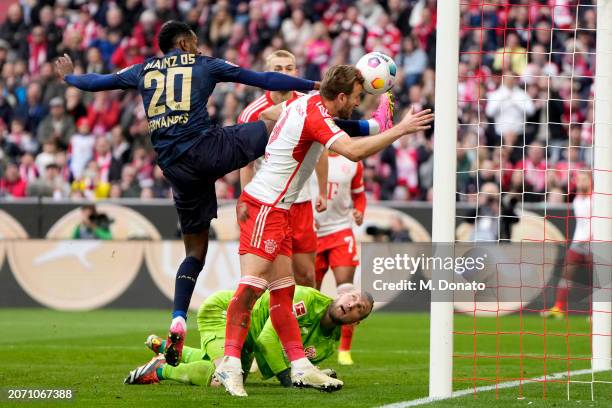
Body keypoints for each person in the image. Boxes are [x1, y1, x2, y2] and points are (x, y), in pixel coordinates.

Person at [55, 21, 320, 367]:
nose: (197, 45)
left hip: (175, 169)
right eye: (194, 41)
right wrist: (312, 85)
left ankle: (178, 317)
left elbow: (97, 83)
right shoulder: (204, 64)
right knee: (282, 123)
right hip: (206, 149)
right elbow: (265, 80)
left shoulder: (143, 69)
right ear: (183, 41)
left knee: (195, 251)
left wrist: (70, 78)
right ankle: (356, 128)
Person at [215, 65, 433, 396]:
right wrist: (399, 130)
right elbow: (353, 151)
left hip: (281, 207)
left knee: (284, 293)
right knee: (250, 288)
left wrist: (373, 124)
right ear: (342, 95)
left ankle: (301, 365)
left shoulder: (307, 101)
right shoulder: (316, 115)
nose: (358, 103)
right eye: (357, 97)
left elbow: (277, 111)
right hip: (266, 204)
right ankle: (229, 364)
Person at [238, 50, 394, 287]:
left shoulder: (307, 100)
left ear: (296, 72)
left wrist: (321, 190)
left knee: (305, 277)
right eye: (277, 69)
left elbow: (321, 147)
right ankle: (251, 321)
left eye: (289, 68)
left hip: (301, 201)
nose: (284, 73)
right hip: (267, 200)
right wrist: (243, 199)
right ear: (267, 74)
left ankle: (299, 322)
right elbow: (246, 163)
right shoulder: (254, 112)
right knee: (262, 280)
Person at [123, 286, 374, 387]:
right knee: (223, 379)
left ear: (358, 322)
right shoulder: (305, 299)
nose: (352, 306)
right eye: (352, 298)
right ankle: (160, 370)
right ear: (342, 294)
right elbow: (268, 340)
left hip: (247, 341)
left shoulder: (328, 346)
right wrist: (288, 381)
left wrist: (312, 376)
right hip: (227, 314)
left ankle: (165, 347)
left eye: (359, 308)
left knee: (223, 365)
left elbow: (290, 361)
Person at [314, 151, 366, 366]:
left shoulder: (353, 161)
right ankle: (307, 346)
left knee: (347, 292)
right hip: (312, 231)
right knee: (309, 294)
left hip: (341, 230)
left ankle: (344, 349)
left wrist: (360, 211)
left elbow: (359, 194)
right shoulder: (310, 155)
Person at [542, 171, 593, 318]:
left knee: (597, 279)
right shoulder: (577, 199)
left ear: (591, 181)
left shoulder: (597, 199)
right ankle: (558, 308)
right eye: (579, 180)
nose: (581, 182)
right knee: (566, 275)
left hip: (594, 243)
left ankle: (596, 313)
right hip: (578, 243)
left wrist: (591, 237)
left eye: (584, 179)